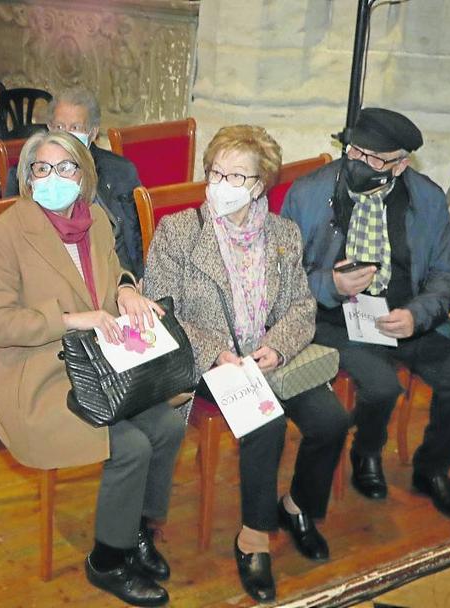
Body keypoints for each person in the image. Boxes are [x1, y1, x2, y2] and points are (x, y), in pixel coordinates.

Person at [144, 125, 349, 604]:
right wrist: (216, 350)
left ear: (260, 185)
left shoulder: (281, 234)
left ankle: (297, 506)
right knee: (266, 424)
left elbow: (301, 305)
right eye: (217, 172)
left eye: (239, 176)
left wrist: (277, 347)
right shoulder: (180, 231)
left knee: (332, 421)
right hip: (211, 361)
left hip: (269, 358)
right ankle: (254, 540)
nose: (223, 184)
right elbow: (160, 308)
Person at [0, 130, 185, 607]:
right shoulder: (6, 233)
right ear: (28, 178)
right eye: (42, 169)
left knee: (169, 427)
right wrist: (72, 319)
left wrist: (128, 290)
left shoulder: (94, 218)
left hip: (99, 365)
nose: (54, 178)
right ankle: (108, 562)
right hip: (38, 370)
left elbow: (115, 276)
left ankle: (137, 530)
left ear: (85, 175)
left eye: (66, 167)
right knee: (131, 444)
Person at [282, 107, 450, 520]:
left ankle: (433, 469)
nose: (362, 164)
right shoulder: (309, 193)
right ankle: (367, 452)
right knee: (381, 386)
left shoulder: (425, 197)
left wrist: (416, 315)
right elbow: (278, 276)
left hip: (405, 313)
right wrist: (330, 284)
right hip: (336, 319)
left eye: (377, 160)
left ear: (401, 164)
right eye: (355, 151)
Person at [4, 88, 145, 279]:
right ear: (49, 127)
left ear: (93, 133)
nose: (66, 135)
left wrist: (131, 281)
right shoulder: (27, 174)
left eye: (75, 128)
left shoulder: (120, 172)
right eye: (60, 127)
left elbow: (134, 239)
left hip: (113, 275)